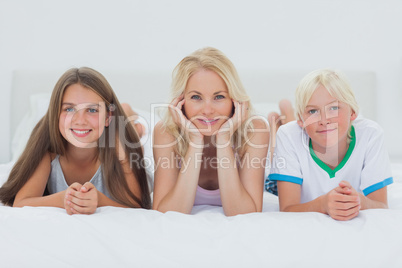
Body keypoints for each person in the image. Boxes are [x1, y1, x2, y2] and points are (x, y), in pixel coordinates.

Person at [0, 67, 151, 213]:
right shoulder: (47, 149)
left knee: (128, 132)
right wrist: (65, 198)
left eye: (92, 110)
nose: (80, 120)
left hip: (115, 134)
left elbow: (136, 207)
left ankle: (128, 114)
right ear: (56, 114)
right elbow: (22, 202)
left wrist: (99, 200)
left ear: (108, 117)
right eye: (69, 109)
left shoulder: (119, 145)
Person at [152, 47, 270, 216]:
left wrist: (224, 139)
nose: (207, 110)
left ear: (234, 100)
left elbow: (245, 213)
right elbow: (166, 212)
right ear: (180, 101)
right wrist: (194, 140)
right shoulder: (166, 132)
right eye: (196, 97)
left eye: (219, 97)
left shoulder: (255, 130)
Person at [267, 68, 393, 220]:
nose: (324, 120)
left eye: (334, 108)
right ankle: (282, 120)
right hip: (290, 150)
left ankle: (287, 115)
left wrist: (360, 201)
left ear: (353, 113)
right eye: (313, 111)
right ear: (301, 119)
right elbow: (287, 208)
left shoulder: (371, 134)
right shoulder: (289, 135)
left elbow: (381, 205)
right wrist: (322, 204)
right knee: (283, 138)